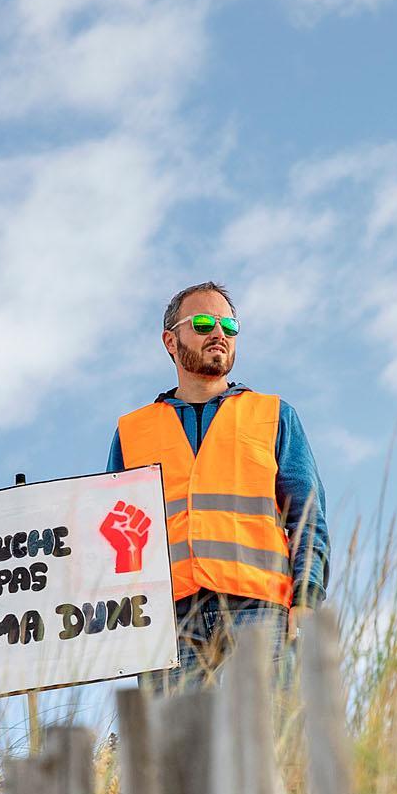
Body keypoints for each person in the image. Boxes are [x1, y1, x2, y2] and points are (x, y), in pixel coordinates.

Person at [108, 282, 329, 685]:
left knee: (269, 744)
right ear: (170, 341)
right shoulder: (132, 432)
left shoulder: (273, 414)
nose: (219, 333)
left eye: (229, 325)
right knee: (177, 749)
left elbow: (307, 515)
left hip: (260, 611)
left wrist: (307, 599)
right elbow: (111, 534)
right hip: (169, 622)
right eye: (204, 322)